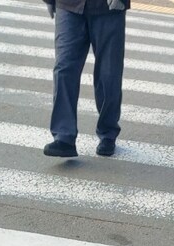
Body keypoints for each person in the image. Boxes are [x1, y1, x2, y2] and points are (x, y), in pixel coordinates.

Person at [42, 0, 129, 159]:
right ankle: (64, 137)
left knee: (109, 73)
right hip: (67, 5)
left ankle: (108, 132)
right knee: (64, 68)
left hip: (108, 9)